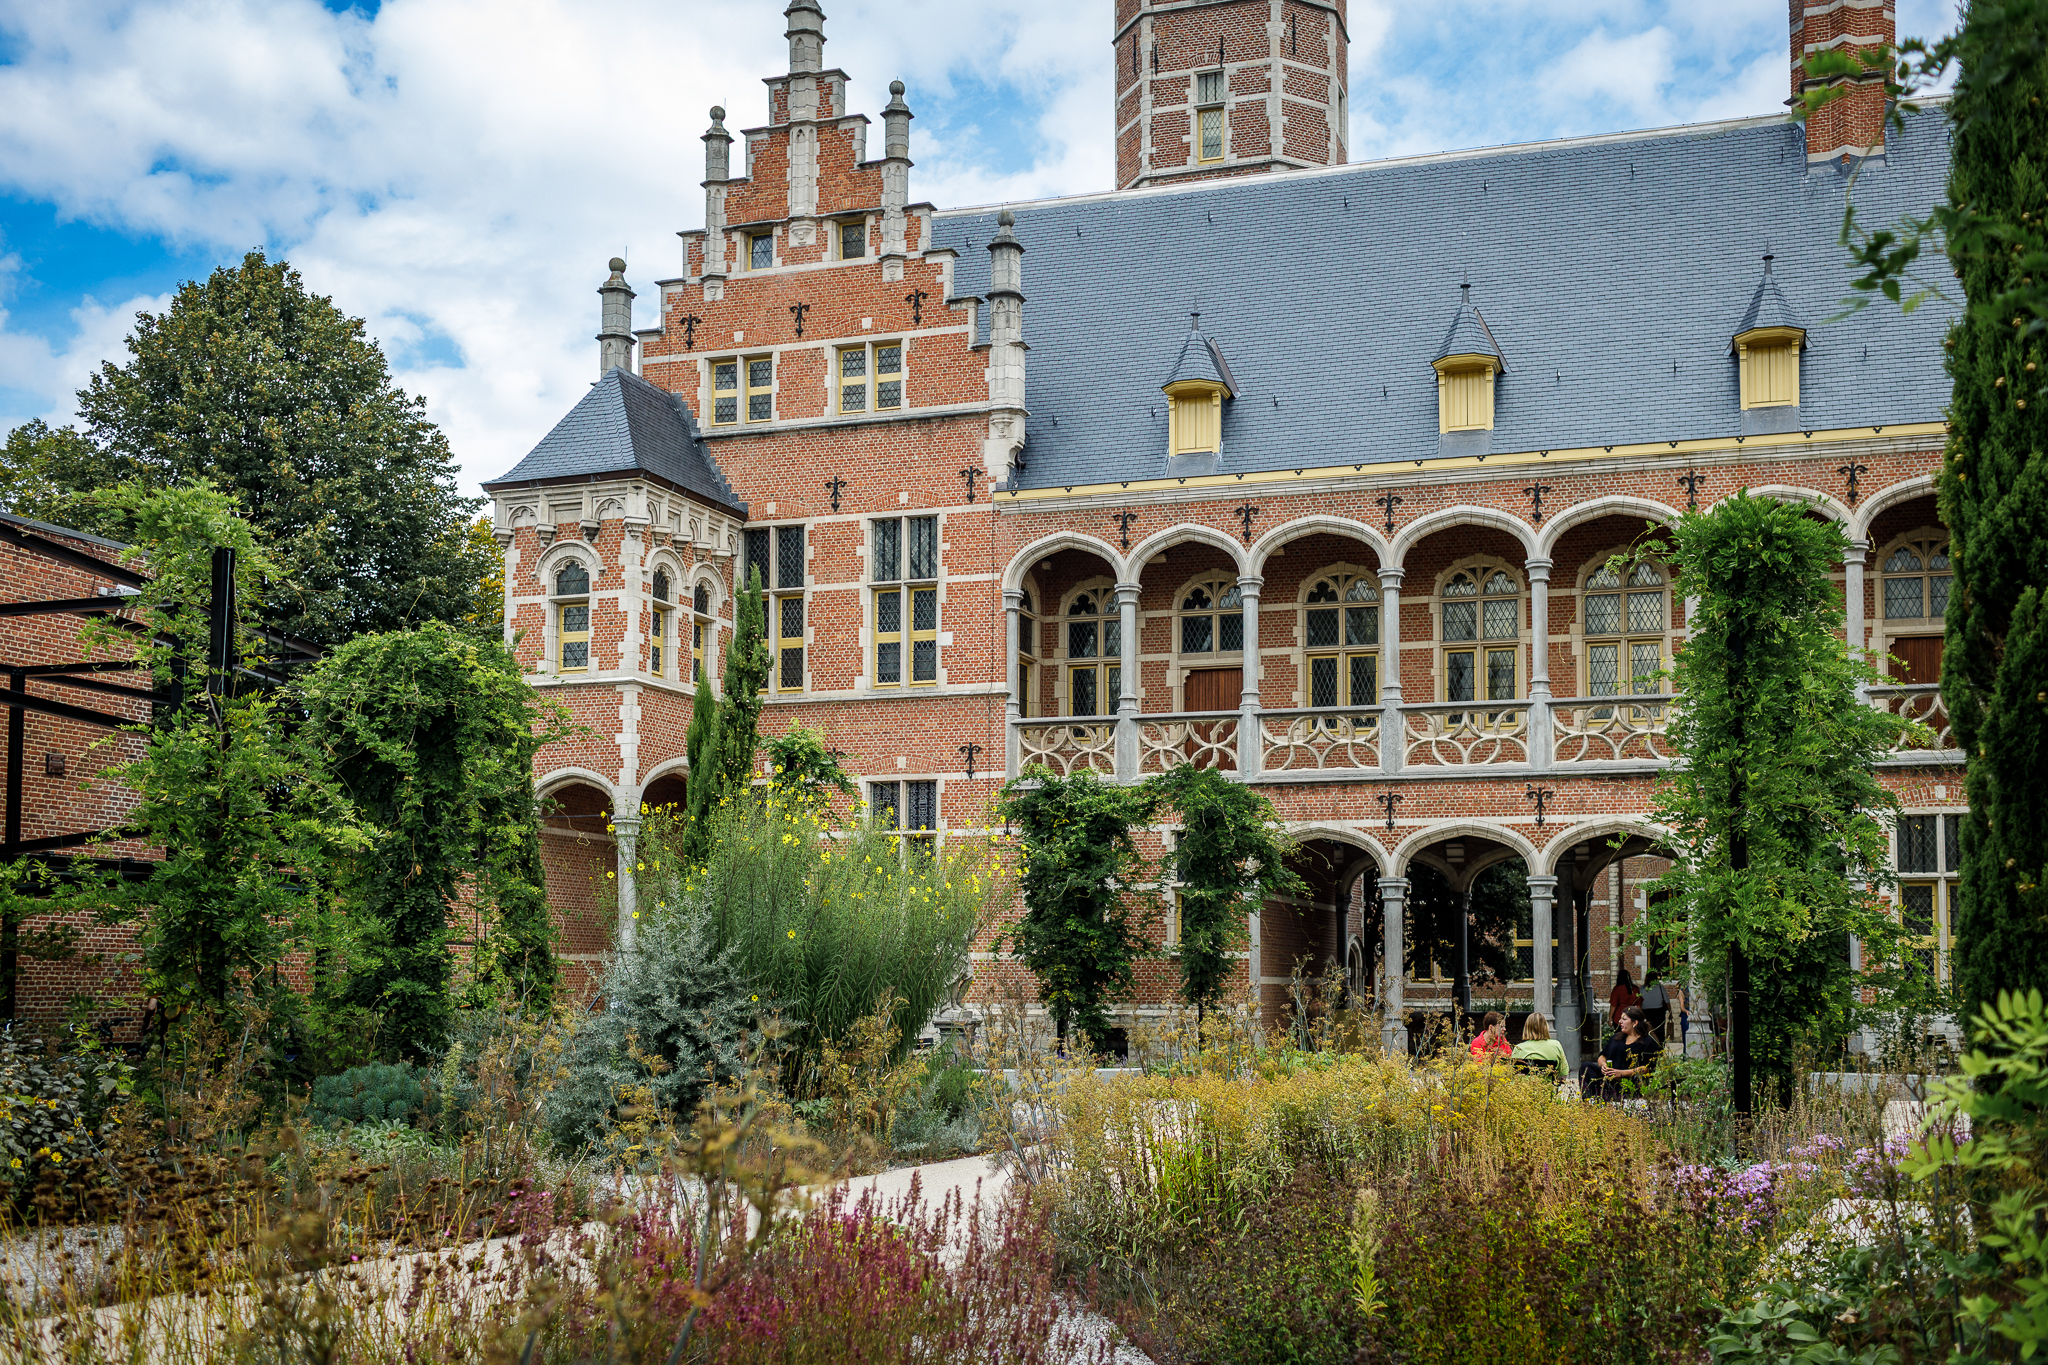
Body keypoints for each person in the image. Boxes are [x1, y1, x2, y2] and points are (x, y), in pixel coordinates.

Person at [1592, 1004, 1659, 1099]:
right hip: (1609, 1078)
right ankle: (1592, 1100)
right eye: (1620, 1019)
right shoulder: (1616, 1038)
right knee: (1587, 1067)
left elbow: (1647, 1068)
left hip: (1630, 1082)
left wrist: (1621, 1073)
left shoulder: (1648, 1042)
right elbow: (1602, 1056)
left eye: (1624, 1019)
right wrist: (1604, 1065)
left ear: (1634, 1023)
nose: (1620, 1022)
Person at [1510, 1010, 1567, 1083]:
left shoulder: (1519, 1048)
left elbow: (1512, 1075)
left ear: (1527, 1028)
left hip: (1525, 1088)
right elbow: (1563, 1075)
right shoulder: (1556, 1045)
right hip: (1548, 1089)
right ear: (1546, 1027)